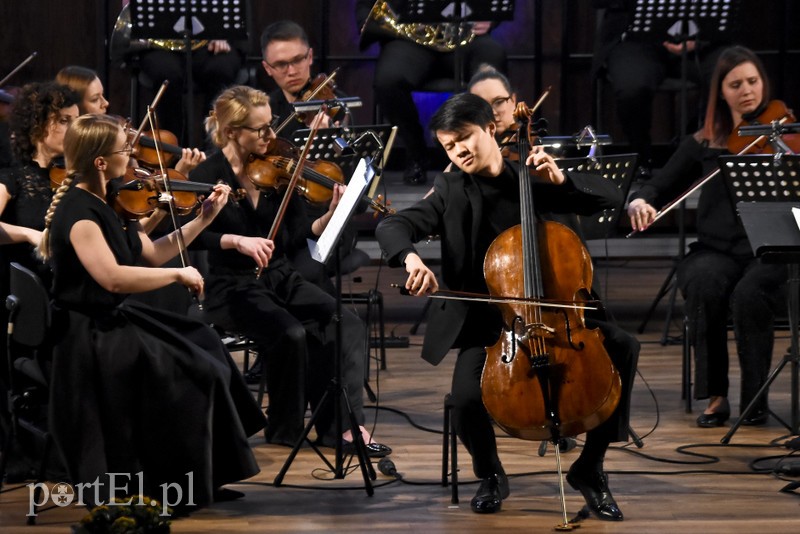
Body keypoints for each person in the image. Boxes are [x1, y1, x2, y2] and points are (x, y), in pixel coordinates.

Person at [376, 93, 638, 519]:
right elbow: (395, 223)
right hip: (492, 327)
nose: (458, 150)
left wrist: (561, 183)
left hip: (559, 317)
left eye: (464, 138)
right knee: (463, 399)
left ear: (491, 130)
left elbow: (607, 198)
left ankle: (590, 468)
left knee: (623, 346)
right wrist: (410, 257)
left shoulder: (536, 178)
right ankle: (491, 474)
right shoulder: (449, 189)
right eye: (448, 145)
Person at [38, 113, 265, 508]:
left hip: (111, 322)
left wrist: (202, 218)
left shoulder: (110, 200)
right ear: (100, 162)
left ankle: (205, 477)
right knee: (193, 371)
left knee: (206, 342)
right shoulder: (79, 214)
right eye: (124, 150)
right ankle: (174, 487)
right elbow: (112, 279)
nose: (132, 155)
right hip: (88, 336)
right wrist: (179, 276)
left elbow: (154, 252)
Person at [189, 85, 390, 457]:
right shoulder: (208, 174)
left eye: (270, 127)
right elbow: (193, 237)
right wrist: (237, 241)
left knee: (343, 321)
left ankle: (340, 428)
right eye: (261, 129)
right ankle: (284, 429)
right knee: (291, 333)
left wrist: (330, 215)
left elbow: (297, 235)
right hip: (232, 286)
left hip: (280, 276)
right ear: (232, 131)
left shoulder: (276, 171)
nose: (271, 136)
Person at [627, 46, 787, 428]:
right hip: (718, 249)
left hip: (769, 251)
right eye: (736, 84)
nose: (747, 90)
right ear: (721, 92)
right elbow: (658, 184)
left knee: (751, 294)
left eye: (753, 81)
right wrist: (639, 201)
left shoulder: (783, 135)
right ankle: (716, 396)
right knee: (703, 281)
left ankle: (754, 400)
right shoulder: (705, 142)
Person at [356, 0, 507, 185]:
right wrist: (366, 19)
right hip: (408, 40)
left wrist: (489, 17)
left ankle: (484, 152)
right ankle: (415, 152)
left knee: (493, 59)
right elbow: (366, 7)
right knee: (388, 81)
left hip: (466, 36)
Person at [592, 0, 727, 175]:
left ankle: (695, 150)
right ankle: (641, 159)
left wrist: (700, 38)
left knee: (728, 71)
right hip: (636, 40)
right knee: (632, 88)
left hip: (700, 39)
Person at [0, 82, 79, 282]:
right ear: (37, 125)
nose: (74, 129)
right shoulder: (14, 177)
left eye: (76, 121)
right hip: (25, 292)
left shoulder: (78, 179)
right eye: (64, 120)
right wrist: (29, 234)